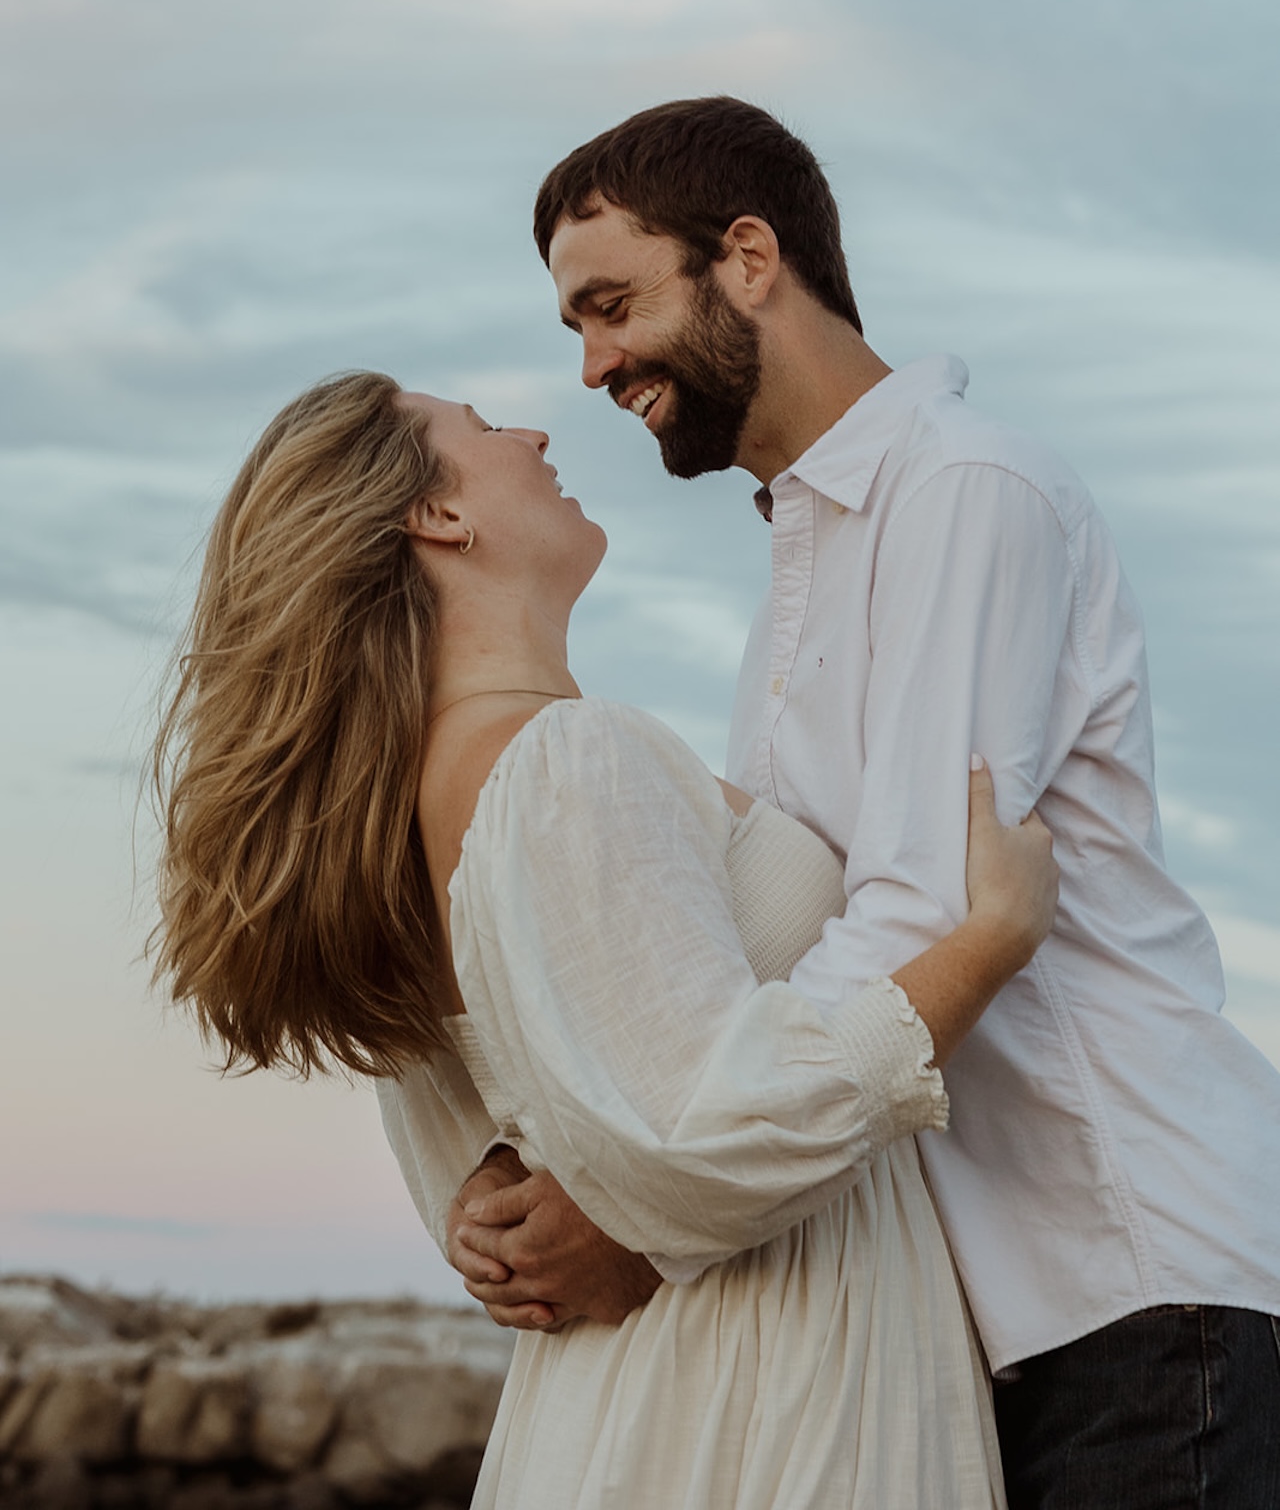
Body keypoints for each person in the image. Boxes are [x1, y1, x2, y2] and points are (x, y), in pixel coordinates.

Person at [447, 97, 1280, 1509]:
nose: (591, 367)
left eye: (610, 306)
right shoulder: (809, 558)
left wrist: (652, 1217)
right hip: (997, 1312)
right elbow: (776, 926)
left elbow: (926, 907)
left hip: (1131, 1274)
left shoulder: (966, 490)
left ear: (751, 257)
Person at [150, 369, 1058, 1510]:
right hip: (755, 1382)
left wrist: (524, 1203)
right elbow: (698, 1133)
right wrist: (987, 939)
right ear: (439, 517)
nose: (530, 429)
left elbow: (483, 1189)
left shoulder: (404, 816)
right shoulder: (562, 760)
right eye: (481, 428)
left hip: (624, 1395)